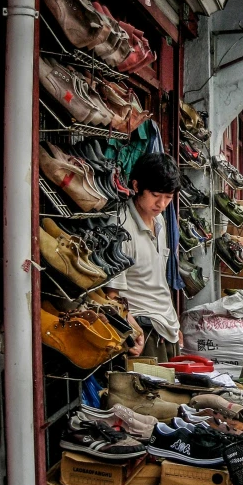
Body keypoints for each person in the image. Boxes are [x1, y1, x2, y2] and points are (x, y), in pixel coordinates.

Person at [105, 153, 182, 361]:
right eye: (156, 195)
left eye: (168, 197)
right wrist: (132, 331)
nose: (162, 204)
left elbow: (159, 280)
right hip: (143, 331)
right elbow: (111, 294)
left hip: (167, 328)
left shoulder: (160, 222)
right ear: (136, 186)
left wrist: (173, 322)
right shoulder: (120, 226)